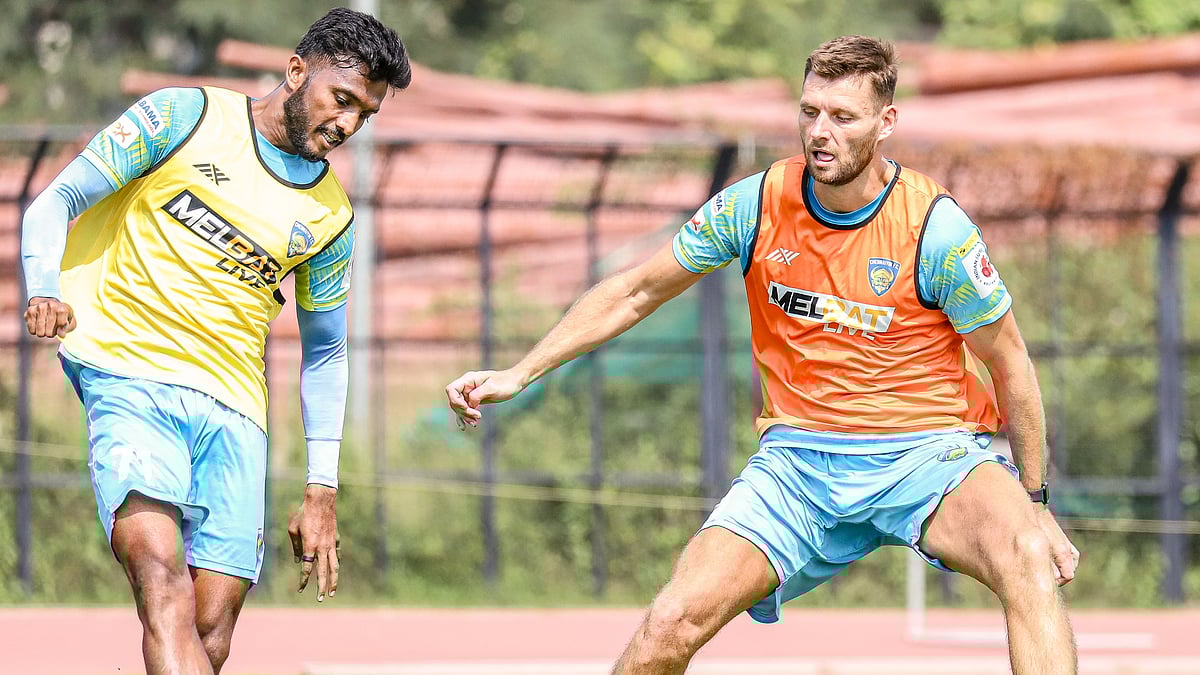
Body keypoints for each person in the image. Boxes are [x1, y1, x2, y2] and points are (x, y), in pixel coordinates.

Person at [447, 35, 1080, 675]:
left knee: (1026, 556)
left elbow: (1011, 365)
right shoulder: (754, 204)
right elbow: (636, 291)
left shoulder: (935, 229)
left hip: (927, 454)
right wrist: (519, 372)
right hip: (798, 464)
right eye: (810, 112)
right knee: (670, 622)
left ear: (886, 123)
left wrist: (1037, 502)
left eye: (843, 116)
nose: (820, 132)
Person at [20, 8, 410, 674]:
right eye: (342, 99)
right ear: (296, 70)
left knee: (211, 630)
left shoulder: (331, 216)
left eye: (365, 114)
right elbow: (54, 200)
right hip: (129, 377)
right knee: (161, 583)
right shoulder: (183, 118)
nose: (348, 123)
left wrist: (321, 489)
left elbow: (325, 353)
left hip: (235, 412)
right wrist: (43, 286)